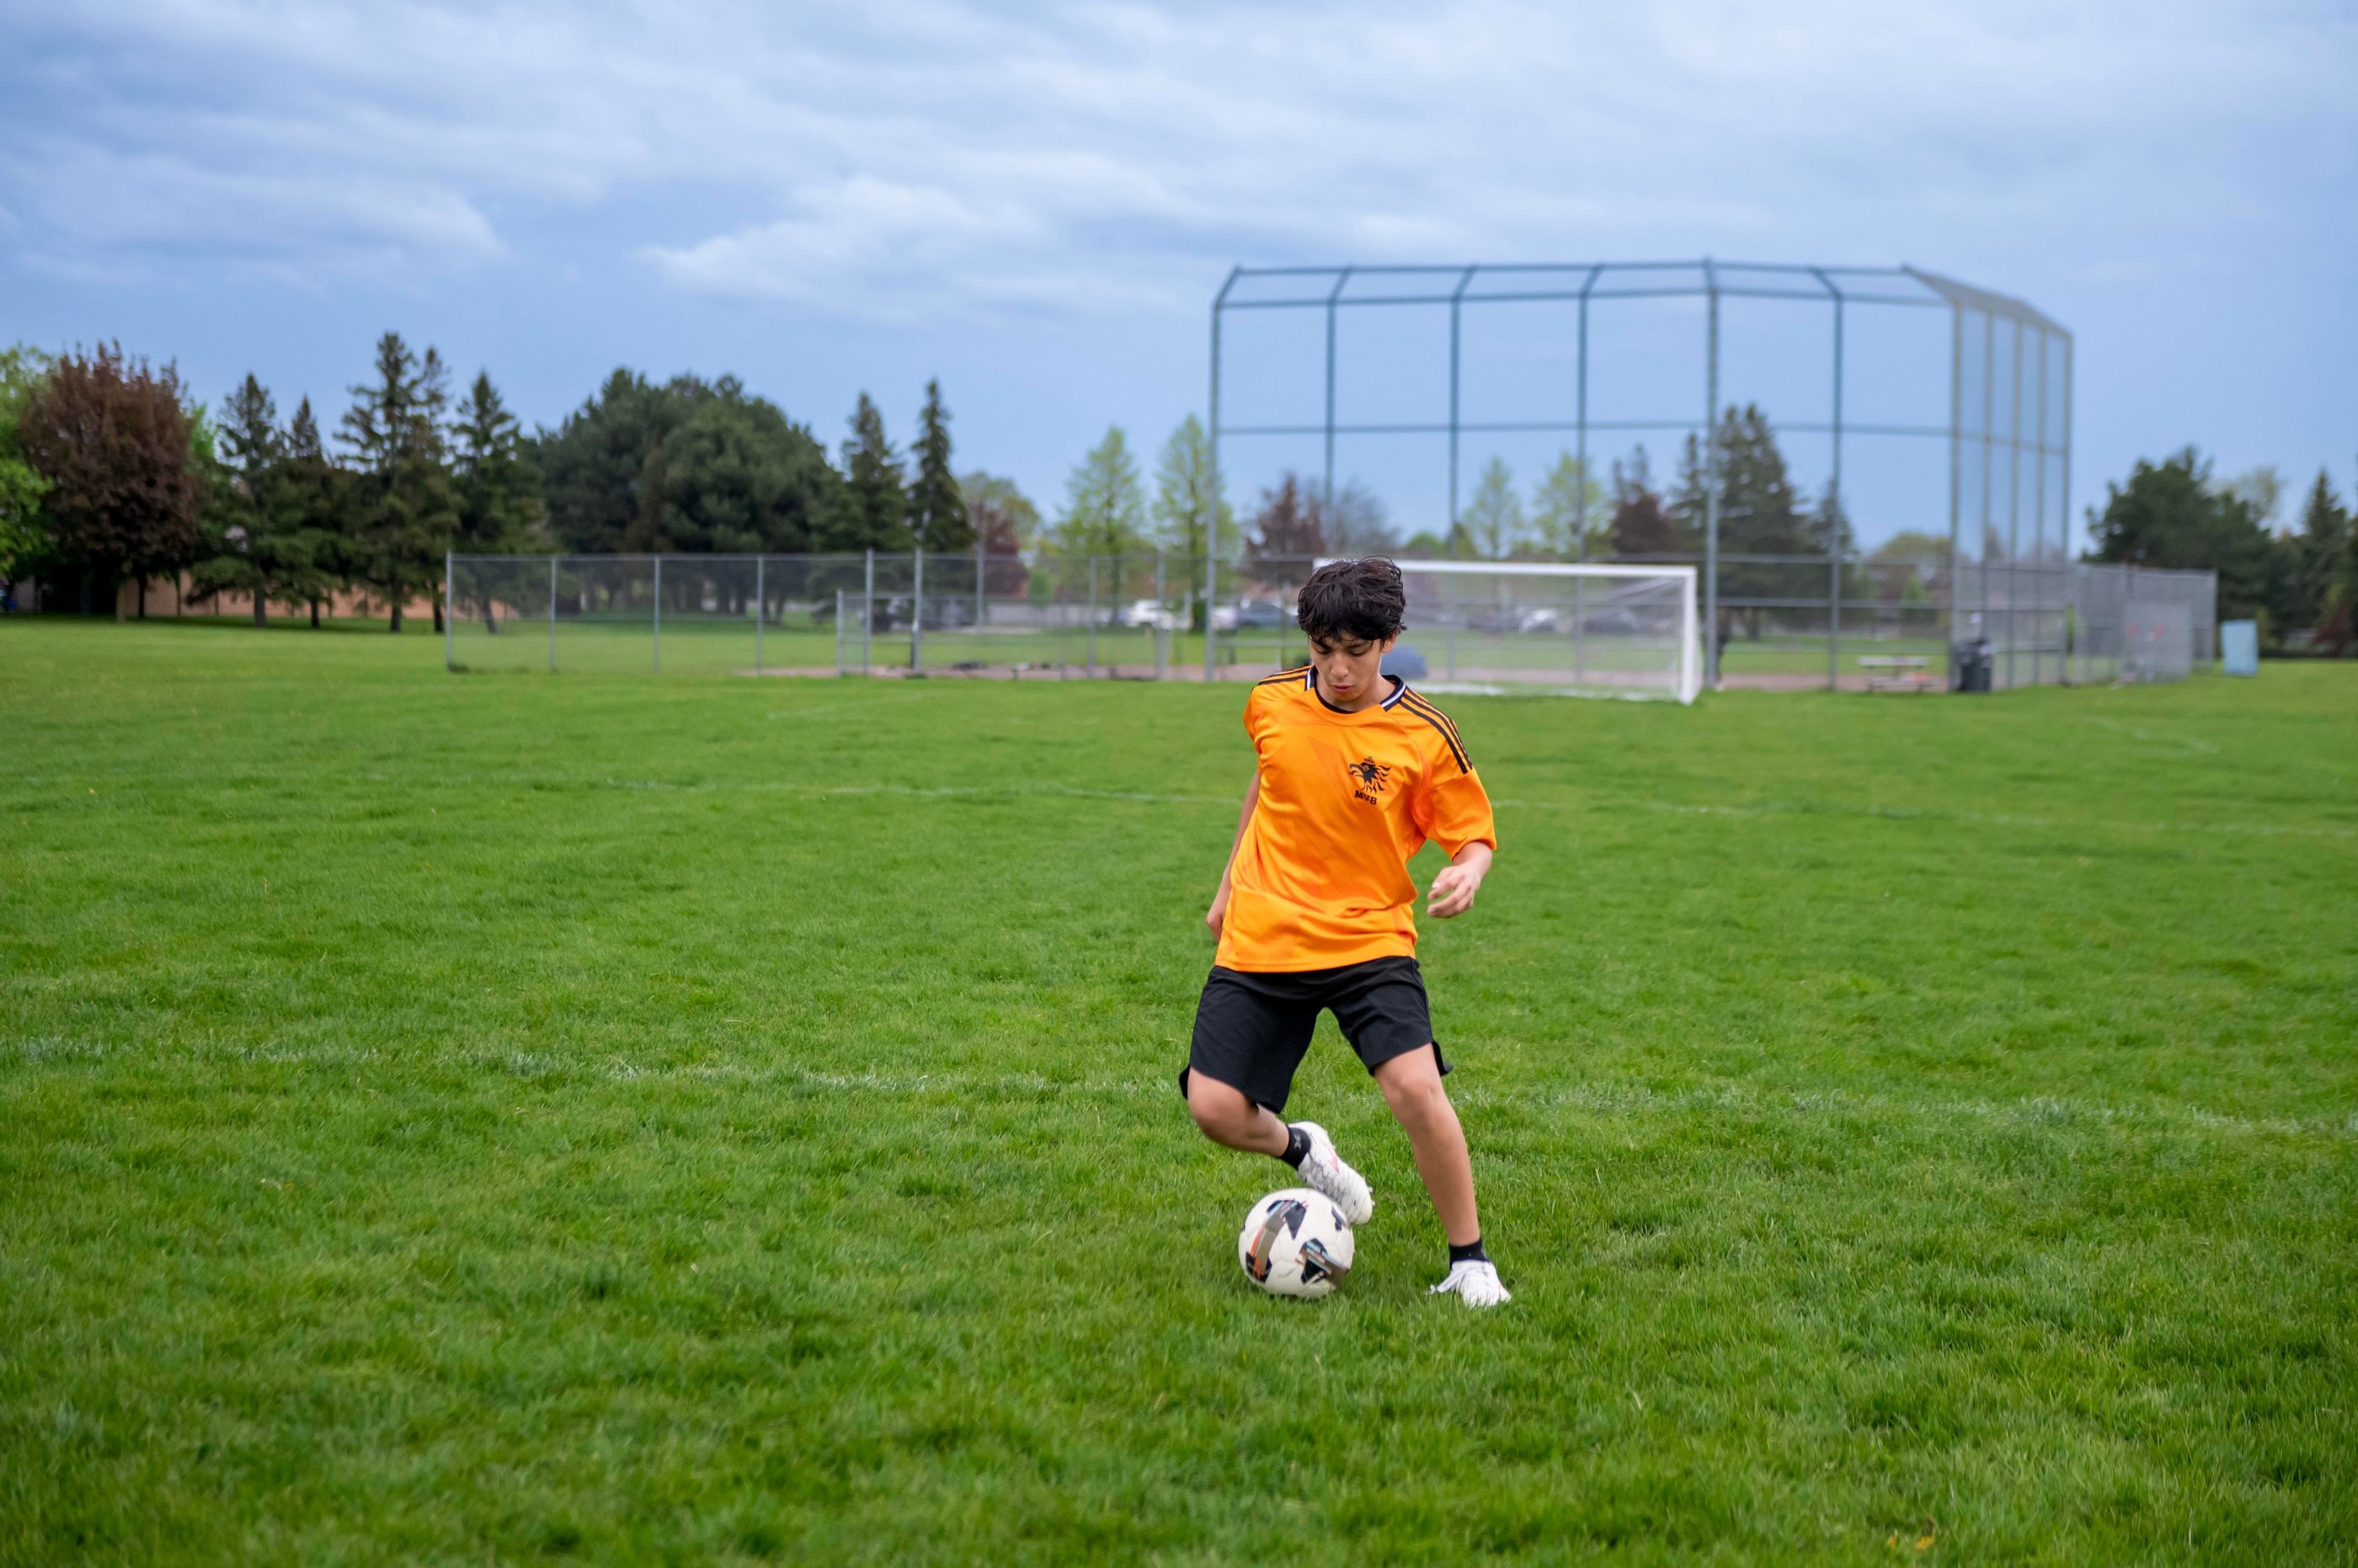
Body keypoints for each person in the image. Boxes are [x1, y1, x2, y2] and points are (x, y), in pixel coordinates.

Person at [1181, 557, 1509, 1307]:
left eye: (1354, 653)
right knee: (1214, 1109)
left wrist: (1471, 869)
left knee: (1415, 1090)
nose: (1336, 669)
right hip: (1266, 932)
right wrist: (1229, 885)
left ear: (1389, 641)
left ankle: (1470, 1261)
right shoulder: (1268, 703)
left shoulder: (1425, 733)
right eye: (1321, 650)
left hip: (1369, 939)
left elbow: (1474, 833)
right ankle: (1304, 1149)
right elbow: (1269, 784)